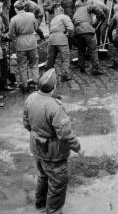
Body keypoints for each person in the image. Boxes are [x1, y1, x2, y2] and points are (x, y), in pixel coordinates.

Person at [23, 69, 83, 213]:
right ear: (54, 86)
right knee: (58, 183)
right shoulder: (55, 107)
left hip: (36, 148)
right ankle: (53, 211)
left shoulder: (31, 98)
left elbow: (26, 123)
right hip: (53, 153)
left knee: (43, 176)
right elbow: (65, 134)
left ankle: (40, 203)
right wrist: (78, 148)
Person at [9, 1, 40, 92]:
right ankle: (36, 83)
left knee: (22, 65)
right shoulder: (31, 15)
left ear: (15, 9)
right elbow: (36, 27)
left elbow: (11, 34)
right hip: (32, 41)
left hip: (21, 43)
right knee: (34, 63)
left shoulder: (14, 19)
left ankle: (25, 86)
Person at [72, 1, 105, 75]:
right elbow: (94, 7)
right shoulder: (86, 7)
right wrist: (101, 15)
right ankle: (96, 68)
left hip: (78, 32)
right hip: (88, 30)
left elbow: (73, 27)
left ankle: (82, 67)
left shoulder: (75, 14)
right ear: (82, 5)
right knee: (93, 50)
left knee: (81, 50)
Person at [47, 5, 74, 81]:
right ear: (62, 10)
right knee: (65, 58)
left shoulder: (53, 19)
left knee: (51, 58)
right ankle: (65, 75)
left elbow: (50, 30)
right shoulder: (65, 17)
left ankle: (49, 75)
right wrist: (69, 35)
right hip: (61, 38)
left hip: (51, 39)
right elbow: (71, 28)